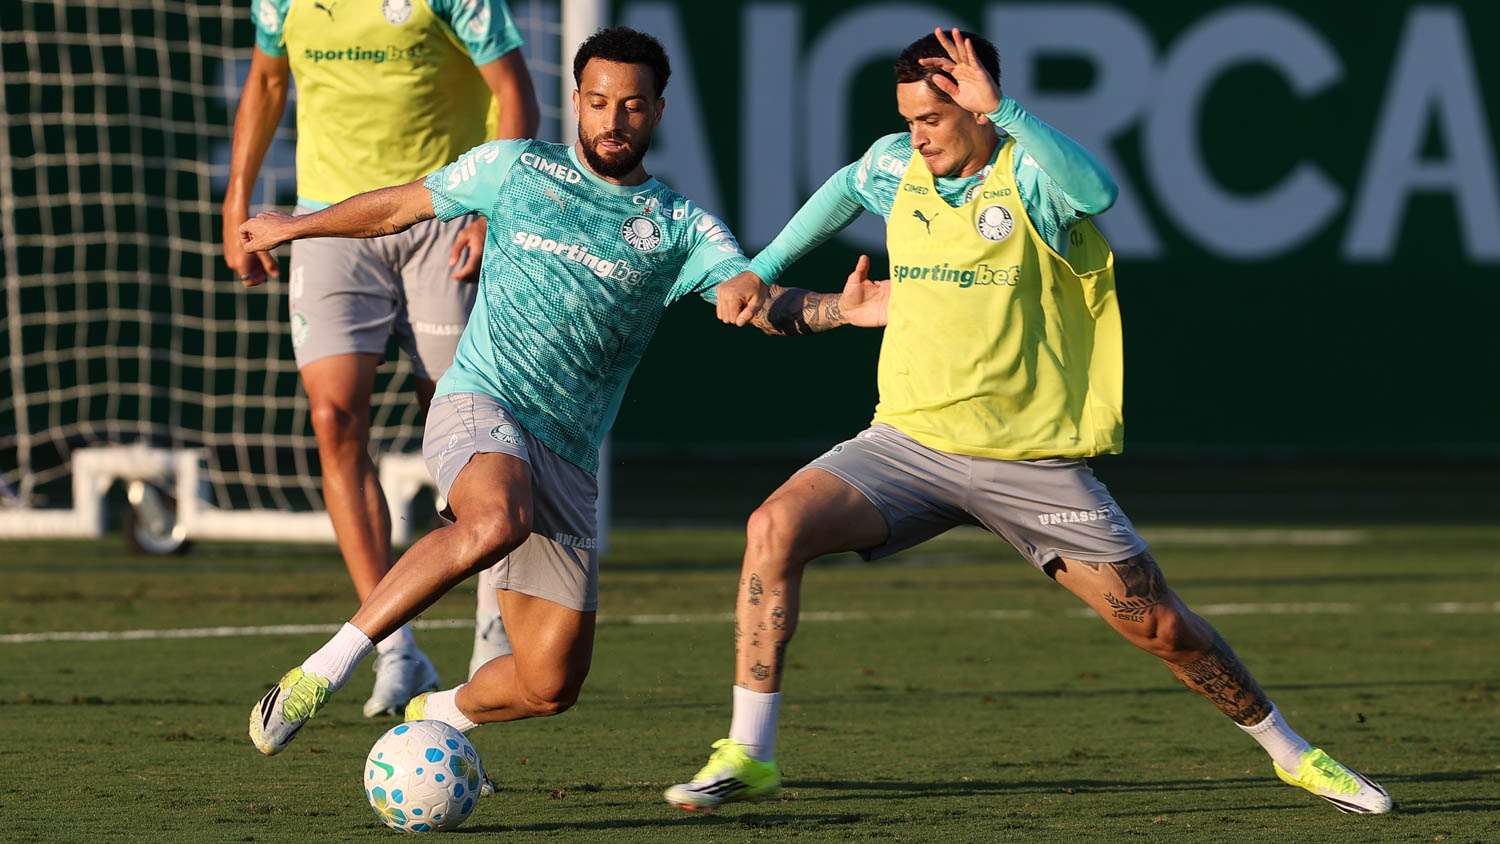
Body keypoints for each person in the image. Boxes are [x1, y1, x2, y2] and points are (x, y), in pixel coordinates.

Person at [664, 28, 1392, 816]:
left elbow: (1102, 193)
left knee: (1160, 625)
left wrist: (1006, 110)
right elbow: (844, 188)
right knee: (773, 527)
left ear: (980, 111)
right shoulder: (897, 164)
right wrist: (760, 271)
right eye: (909, 119)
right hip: (907, 443)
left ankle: (1293, 753)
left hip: (1028, 460)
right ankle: (750, 752)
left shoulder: (1033, 177)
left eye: (935, 119)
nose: (918, 136)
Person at [237, 27, 886, 761]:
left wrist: (839, 309)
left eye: (633, 106)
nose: (614, 121)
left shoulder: (680, 226)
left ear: (659, 112)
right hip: (481, 404)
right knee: (495, 520)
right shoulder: (514, 168)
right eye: (600, 101)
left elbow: (757, 299)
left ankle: (435, 709)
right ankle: (325, 669)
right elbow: (399, 208)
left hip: (567, 456)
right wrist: (296, 225)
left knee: (548, 685)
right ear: (576, 101)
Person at [221, 0, 540, 716]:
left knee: (470, 432)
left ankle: (494, 627)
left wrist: (497, 208)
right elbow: (267, 83)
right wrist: (236, 198)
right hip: (330, 221)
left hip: (441, 214)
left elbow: (514, 91)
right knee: (333, 420)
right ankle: (394, 650)